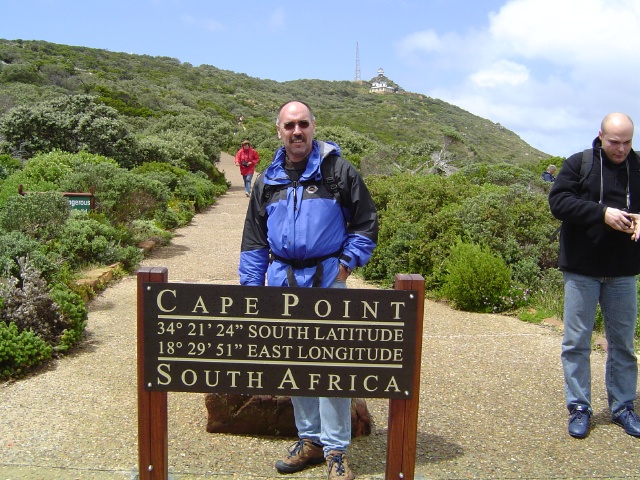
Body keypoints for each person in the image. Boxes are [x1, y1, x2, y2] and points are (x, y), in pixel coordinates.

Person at [238, 101, 378, 479]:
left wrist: (346, 265)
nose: (296, 131)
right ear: (279, 131)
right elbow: (254, 240)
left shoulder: (338, 171)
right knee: (295, 364)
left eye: (303, 124)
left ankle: (336, 449)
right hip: (283, 281)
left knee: (331, 365)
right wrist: (251, 291)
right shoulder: (268, 179)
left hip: (328, 279)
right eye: (289, 125)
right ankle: (310, 440)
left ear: (314, 127)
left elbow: (366, 222)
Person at [548, 112, 640, 439]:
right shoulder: (580, 163)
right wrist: (602, 213)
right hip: (581, 269)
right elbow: (558, 202)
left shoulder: (637, 167)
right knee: (576, 342)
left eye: (627, 142)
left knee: (623, 344)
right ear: (601, 135)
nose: (621, 149)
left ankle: (623, 406)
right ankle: (579, 407)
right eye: (614, 142)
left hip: (623, 271)